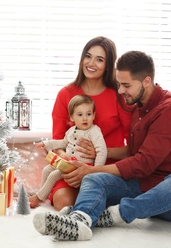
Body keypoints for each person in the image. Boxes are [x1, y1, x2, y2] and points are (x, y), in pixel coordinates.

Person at [32, 50, 171, 241]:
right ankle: (79, 221)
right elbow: (134, 151)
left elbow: (142, 163)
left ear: (146, 81)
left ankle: (116, 215)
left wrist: (91, 169)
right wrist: (95, 160)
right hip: (146, 187)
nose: (121, 90)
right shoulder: (139, 107)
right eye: (119, 84)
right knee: (96, 178)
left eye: (126, 85)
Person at [49, 36, 133, 210]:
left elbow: (133, 147)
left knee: (100, 201)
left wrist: (99, 154)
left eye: (99, 59)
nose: (91, 63)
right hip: (73, 168)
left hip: (107, 171)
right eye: (88, 56)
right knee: (63, 203)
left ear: (109, 65)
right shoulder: (65, 94)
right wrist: (70, 166)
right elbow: (57, 143)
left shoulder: (119, 96)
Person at [29, 94, 107, 208]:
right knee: (46, 170)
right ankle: (43, 194)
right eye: (80, 115)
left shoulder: (94, 131)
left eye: (88, 114)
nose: (85, 118)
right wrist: (46, 144)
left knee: (54, 175)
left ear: (94, 115)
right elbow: (62, 143)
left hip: (82, 165)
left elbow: (102, 151)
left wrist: (96, 170)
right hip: (68, 163)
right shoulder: (71, 131)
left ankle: (38, 197)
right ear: (72, 117)